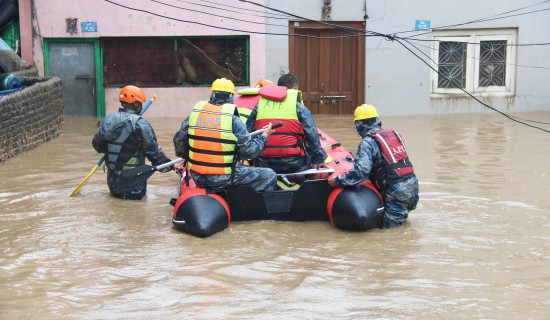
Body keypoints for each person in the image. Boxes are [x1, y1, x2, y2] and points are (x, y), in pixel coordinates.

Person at [173, 78, 277, 193]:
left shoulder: (193, 116)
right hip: (222, 179)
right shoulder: (234, 120)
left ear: (212, 94)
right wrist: (264, 135)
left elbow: (179, 147)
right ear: (231, 97)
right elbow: (248, 152)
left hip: (197, 177)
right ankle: (252, 208)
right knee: (269, 175)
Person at [328, 104, 419, 228]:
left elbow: (360, 173)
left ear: (359, 125)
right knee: (402, 225)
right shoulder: (393, 133)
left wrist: (337, 181)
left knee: (389, 233)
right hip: (413, 187)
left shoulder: (368, 142)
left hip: (396, 192)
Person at [92, 85, 172, 200]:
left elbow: (98, 145)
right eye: (140, 103)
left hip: (113, 184)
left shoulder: (108, 119)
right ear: (136, 104)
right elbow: (154, 154)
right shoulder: (141, 124)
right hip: (134, 186)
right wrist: (171, 165)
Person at [245, 73, 328, 177]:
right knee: (315, 161)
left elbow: (247, 133)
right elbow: (311, 136)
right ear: (294, 88)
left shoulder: (259, 106)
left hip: (263, 164)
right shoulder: (299, 107)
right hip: (295, 164)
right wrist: (319, 159)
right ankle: (312, 190)